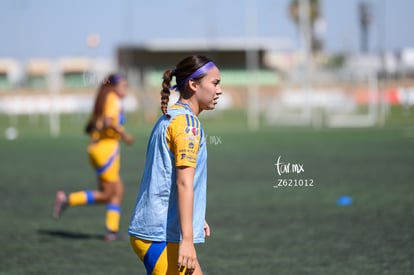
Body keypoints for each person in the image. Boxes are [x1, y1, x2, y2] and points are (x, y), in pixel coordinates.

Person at [128, 55, 222, 275]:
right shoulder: (187, 125)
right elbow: (182, 183)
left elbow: (166, 177)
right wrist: (187, 240)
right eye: (215, 83)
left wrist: (195, 214)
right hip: (161, 236)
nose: (219, 90)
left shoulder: (169, 117)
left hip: (158, 231)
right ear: (193, 84)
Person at [53, 73, 134, 241]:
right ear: (114, 87)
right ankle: (67, 199)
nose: (126, 89)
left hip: (99, 149)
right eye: (124, 85)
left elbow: (92, 126)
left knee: (118, 191)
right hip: (106, 151)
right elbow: (108, 121)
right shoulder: (113, 98)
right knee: (108, 194)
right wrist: (124, 135)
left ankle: (111, 231)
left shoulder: (104, 98)